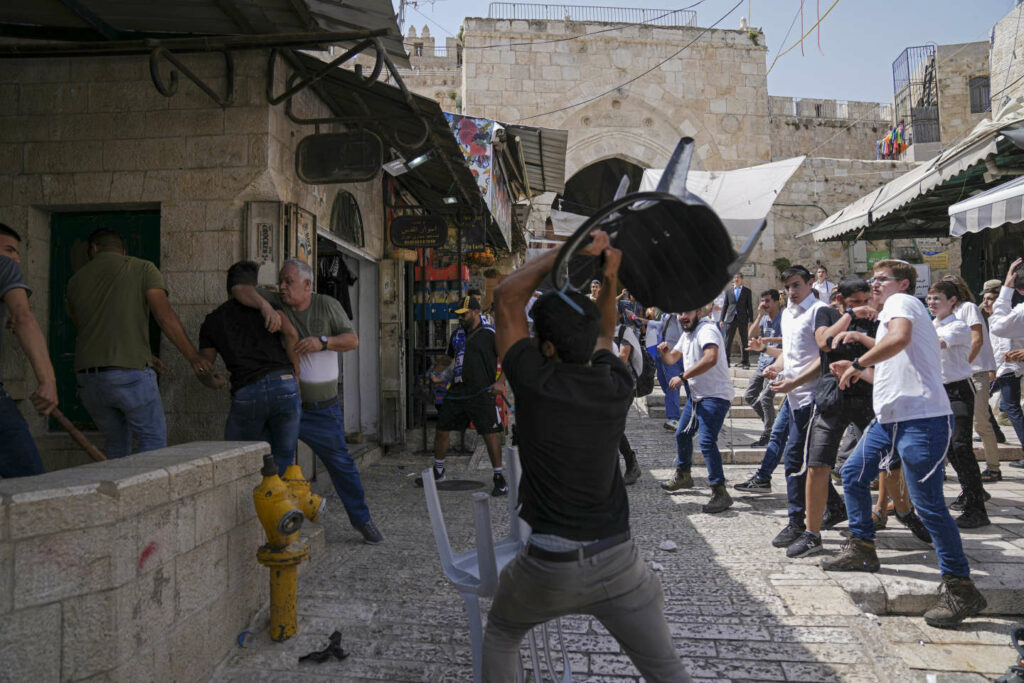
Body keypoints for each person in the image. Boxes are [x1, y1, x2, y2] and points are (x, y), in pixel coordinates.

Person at [484, 230, 690, 682]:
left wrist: (571, 248)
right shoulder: (613, 383)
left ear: (548, 347)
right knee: (668, 671)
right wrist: (610, 277)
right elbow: (605, 332)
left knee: (500, 634)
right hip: (617, 562)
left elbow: (505, 298)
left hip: (547, 566)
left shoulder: (532, 381)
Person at [826, 259, 986, 630]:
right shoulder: (897, 315)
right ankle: (863, 548)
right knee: (852, 473)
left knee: (928, 504)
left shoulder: (903, 304)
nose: (874, 285)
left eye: (881, 279)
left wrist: (857, 361)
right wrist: (859, 368)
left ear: (903, 283)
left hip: (923, 419)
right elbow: (892, 367)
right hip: (892, 419)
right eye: (872, 280)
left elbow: (898, 340)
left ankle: (961, 587)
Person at [232, 259, 383, 544]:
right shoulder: (278, 301)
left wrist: (321, 342)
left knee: (341, 464)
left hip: (323, 410)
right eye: (281, 281)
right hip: (286, 406)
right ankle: (276, 523)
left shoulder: (326, 305)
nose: (282, 287)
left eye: (289, 281)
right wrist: (265, 306)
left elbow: (352, 340)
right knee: (275, 464)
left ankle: (362, 520)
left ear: (307, 285)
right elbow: (239, 289)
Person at [66, 228, 211, 458]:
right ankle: (152, 494)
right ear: (123, 251)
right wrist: (193, 356)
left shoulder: (75, 281)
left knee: (116, 444)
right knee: (152, 440)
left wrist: (146, 354)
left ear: (94, 249)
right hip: (129, 375)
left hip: (88, 379)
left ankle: (118, 493)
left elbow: (86, 328)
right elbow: (164, 315)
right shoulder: (142, 268)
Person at [783, 276, 878, 559]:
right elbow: (824, 342)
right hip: (832, 398)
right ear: (840, 301)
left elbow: (886, 347)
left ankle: (897, 511)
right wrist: (850, 316)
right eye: (854, 303)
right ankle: (812, 533)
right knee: (817, 463)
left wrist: (861, 338)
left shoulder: (877, 318)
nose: (862, 307)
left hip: (868, 397)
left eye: (864, 301)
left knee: (889, 463)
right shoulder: (827, 313)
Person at [196, 261, 302, 473]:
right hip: (284, 384)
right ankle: (280, 504)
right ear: (255, 285)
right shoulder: (270, 308)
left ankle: (249, 502)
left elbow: (204, 366)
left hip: (248, 391)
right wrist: (295, 376)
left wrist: (211, 380)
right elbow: (291, 334)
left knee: (237, 456)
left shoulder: (212, 321)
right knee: (283, 457)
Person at [764, 265, 828, 551]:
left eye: (796, 285)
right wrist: (776, 370)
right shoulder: (788, 314)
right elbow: (790, 355)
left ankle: (796, 522)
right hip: (792, 397)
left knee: (795, 459)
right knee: (804, 461)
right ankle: (831, 507)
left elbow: (823, 359)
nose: (791, 292)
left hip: (811, 397)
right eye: (787, 286)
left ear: (811, 283)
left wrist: (795, 382)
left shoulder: (819, 312)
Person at [417, 295, 507, 497]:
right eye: (458, 315)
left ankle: (499, 477)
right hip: (457, 390)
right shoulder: (456, 334)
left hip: (482, 391)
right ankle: (438, 471)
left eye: (464, 314)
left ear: (475, 312)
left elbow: (509, 357)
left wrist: (500, 383)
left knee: (489, 433)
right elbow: (448, 358)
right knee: (442, 428)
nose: (461, 318)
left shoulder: (490, 333)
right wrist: (436, 374)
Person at [657, 309, 734, 513]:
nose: (683, 316)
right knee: (682, 433)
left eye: (688, 312)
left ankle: (720, 492)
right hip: (697, 396)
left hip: (715, 396)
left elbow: (711, 357)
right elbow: (672, 358)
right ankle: (684, 475)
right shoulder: (688, 333)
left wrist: (683, 376)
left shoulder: (706, 330)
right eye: (680, 313)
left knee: (707, 442)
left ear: (699, 311)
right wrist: (665, 353)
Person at [927, 281, 989, 529]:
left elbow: (937, 344)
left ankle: (978, 507)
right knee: (950, 450)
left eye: (937, 298)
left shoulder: (958, 326)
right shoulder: (932, 325)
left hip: (958, 391)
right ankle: (969, 494)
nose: (932, 303)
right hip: (938, 391)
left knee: (961, 445)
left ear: (953, 301)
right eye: (929, 298)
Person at [0, 224, 59, 478]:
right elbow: (23, 317)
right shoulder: (4, 266)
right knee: (29, 482)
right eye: (9, 249)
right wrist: (47, 380)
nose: (16, 258)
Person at [942, 274, 1002, 483]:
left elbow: (976, 340)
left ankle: (993, 467)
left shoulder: (968, 308)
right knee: (952, 426)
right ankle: (946, 467)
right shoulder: (949, 313)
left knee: (981, 423)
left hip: (973, 372)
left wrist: (964, 363)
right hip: (956, 376)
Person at [987, 258, 1024, 470]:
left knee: (1010, 407)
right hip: (1006, 367)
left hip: (1009, 368)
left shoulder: (1018, 312)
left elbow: (999, 328)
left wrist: (1007, 289)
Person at [745, 289, 782, 446]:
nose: (764, 304)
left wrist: (769, 340)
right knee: (749, 396)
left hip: (776, 365)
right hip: (762, 364)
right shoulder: (764, 318)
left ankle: (768, 434)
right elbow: (750, 334)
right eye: (762, 301)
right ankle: (772, 427)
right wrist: (759, 315)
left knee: (766, 398)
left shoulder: (784, 318)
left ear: (776, 302)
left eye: (767, 301)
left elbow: (790, 339)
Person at [614, 321, 644, 485]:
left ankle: (631, 463)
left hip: (624, 388)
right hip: (604, 386)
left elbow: (622, 357)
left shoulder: (624, 331)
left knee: (614, 425)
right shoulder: (597, 329)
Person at [644, 308, 683, 431]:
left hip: (679, 353)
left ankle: (674, 418)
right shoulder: (666, 315)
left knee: (673, 385)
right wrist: (640, 320)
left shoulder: (683, 314)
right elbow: (659, 325)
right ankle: (676, 415)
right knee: (667, 383)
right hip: (668, 353)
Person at [722, 273, 753, 368]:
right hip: (731, 318)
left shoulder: (747, 291)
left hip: (743, 318)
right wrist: (721, 319)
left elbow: (749, 306)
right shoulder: (729, 291)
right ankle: (726, 361)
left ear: (742, 279)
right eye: (735, 277)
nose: (736, 279)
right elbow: (725, 306)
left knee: (744, 340)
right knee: (728, 340)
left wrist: (751, 320)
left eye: (738, 278)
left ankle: (745, 362)